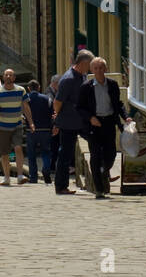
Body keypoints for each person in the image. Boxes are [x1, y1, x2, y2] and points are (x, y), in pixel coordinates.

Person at [78, 57, 126, 199]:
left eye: (101, 68)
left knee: (110, 154)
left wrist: (126, 117)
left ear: (105, 69)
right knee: (95, 155)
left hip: (109, 122)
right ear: (92, 70)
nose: (99, 71)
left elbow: (118, 104)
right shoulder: (86, 87)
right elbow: (79, 107)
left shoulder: (112, 85)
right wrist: (90, 118)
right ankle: (99, 188)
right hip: (94, 124)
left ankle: (104, 171)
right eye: (96, 68)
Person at [52, 49, 95, 195]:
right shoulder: (68, 79)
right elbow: (57, 102)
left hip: (81, 120)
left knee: (96, 142)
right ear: (83, 63)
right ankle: (61, 186)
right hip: (68, 122)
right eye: (90, 64)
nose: (91, 68)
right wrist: (58, 118)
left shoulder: (82, 76)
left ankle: (103, 174)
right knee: (65, 154)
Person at [0, 68, 34, 186]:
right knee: (4, 153)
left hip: (17, 125)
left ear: (14, 78)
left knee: (18, 148)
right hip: (3, 126)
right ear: (3, 77)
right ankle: (6, 177)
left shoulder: (21, 90)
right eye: (6, 75)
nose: (8, 77)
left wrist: (31, 122)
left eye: (10, 75)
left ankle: (20, 175)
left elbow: (26, 107)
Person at [25, 79, 54, 184]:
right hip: (45, 129)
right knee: (46, 152)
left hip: (31, 130)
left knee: (31, 154)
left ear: (28, 88)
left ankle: (33, 177)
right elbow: (52, 113)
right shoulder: (47, 99)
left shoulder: (26, 99)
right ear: (39, 87)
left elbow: (23, 113)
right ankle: (46, 169)